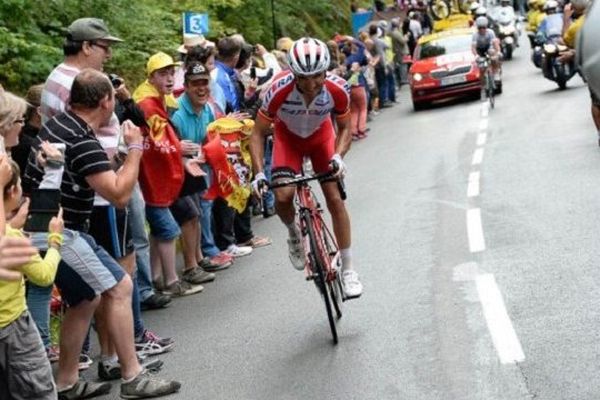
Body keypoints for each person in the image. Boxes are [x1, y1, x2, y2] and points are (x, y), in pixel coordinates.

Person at [24, 69, 181, 399]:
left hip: (41, 226)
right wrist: (136, 148)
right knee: (121, 286)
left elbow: (96, 173)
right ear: (106, 101)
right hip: (57, 231)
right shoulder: (82, 139)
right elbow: (119, 195)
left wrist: (122, 156)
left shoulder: (60, 125)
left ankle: (66, 382)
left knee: (85, 298)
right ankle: (133, 376)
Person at [249, 37, 363, 298]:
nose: (311, 85)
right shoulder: (277, 90)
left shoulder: (337, 88)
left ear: (326, 70)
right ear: (293, 74)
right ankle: (293, 233)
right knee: (283, 195)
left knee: (335, 198)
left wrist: (338, 156)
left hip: (321, 138)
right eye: (304, 78)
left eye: (317, 76)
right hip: (288, 140)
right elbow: (256, 134)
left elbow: (345, 128)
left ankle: (349, 269)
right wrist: (258, 173)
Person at [133, 52, 204, 297]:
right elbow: (157, 144)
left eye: (172, 72)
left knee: (159, 230)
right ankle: (171, 281)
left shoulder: (158, 100)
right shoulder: (148, 104)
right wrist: (179, 149)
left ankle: (155, 279)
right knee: (169, 230)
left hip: (157, 179)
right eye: (163, 74)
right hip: (152, 180)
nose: (170, 78)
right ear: (151, 77)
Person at [0, 158, 64, 400]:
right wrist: (54, 240)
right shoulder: (14, 240)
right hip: (15, 328)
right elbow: (45, 276)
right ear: (14, 190)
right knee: (38, 391)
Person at [472, 17, 502, 85]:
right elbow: (473, 47)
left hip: (488, 48)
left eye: (484, 28)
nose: (482, 30)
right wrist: (476, 55)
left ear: (486, 27)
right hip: (479, 50)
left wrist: (498, 52)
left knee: (493, 57)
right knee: (481, 68)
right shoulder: (475, 35)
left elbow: (495, 43)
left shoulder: (490, 32)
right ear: (477, 28)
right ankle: (483, 83)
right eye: (480, 28)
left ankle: (496, 73)